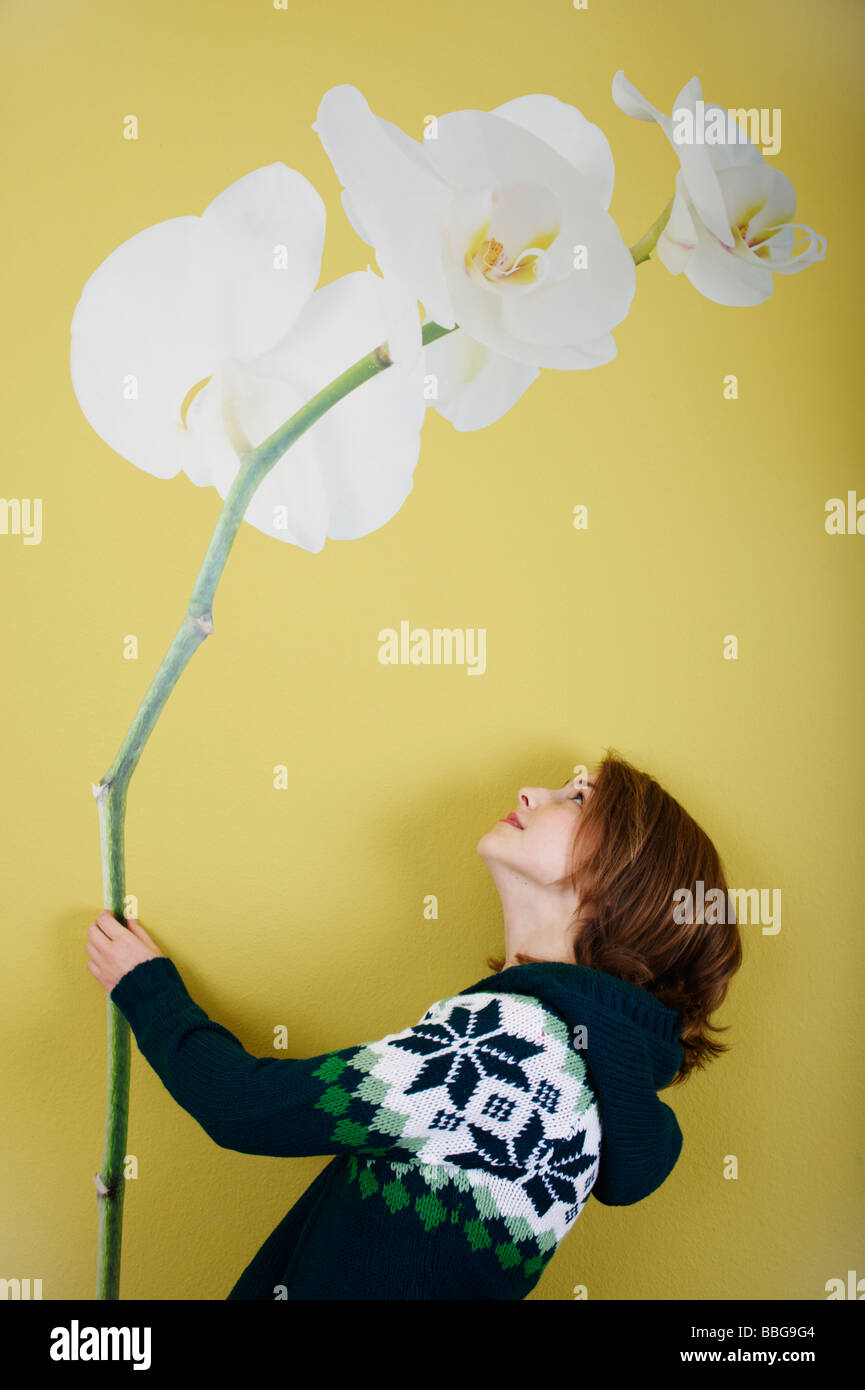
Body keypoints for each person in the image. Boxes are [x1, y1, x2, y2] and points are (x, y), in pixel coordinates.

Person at [85, 750, 742, 1300]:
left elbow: (239, 1105)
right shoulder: (580, 1086)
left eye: (576, 800)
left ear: (622, 880)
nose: (530, 791)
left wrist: (146, 988)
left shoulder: (512, 1046)